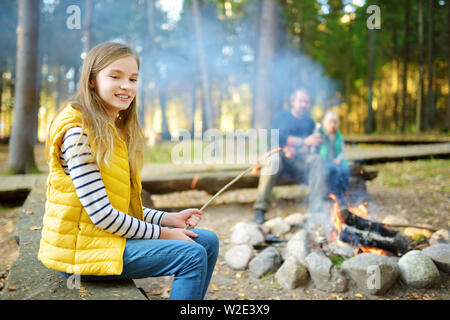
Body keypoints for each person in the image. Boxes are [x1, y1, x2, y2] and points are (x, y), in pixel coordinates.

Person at [38, 42, 219, 300]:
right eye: (115, 76)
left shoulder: (111, 130)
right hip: (80, 254)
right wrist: (167, 234)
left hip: (103, 240)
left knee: (207, 241)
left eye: (133, 79)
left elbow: (117, 207)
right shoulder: (79, 134)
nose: (126, 86)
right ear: (92, 80)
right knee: (191, 254)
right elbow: (103, 216)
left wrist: (169, 219)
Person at [253, 88, 327, 223]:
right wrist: (304, 141)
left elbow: (308, 147)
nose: (304, 104)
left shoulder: (310, 123)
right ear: (293, 102)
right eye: (301, 101)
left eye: (307, 102)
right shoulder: (281, 117)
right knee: (272, 161)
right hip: (278, 158)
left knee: (317, 160)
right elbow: (281, 138)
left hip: (297, 160)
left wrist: (308, 144)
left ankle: (316, 208)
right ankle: (260, 210)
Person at [318, 110, 350, 203]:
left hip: (337, 160)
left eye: (335, 122)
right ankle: (332, 194)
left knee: (345, 170)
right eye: (330, 122)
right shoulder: (321, 134)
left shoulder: (339, 136)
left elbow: (342, 151)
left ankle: (342, 193)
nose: (332, 125)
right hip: (325, 160)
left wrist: (339, 159)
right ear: (324, 123)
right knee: (334, 171)